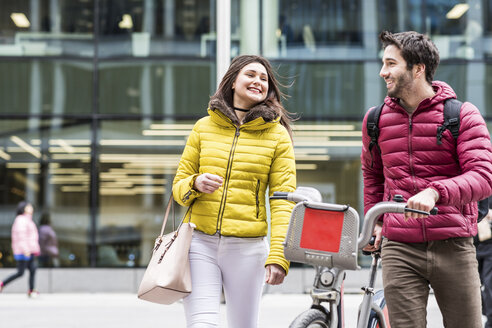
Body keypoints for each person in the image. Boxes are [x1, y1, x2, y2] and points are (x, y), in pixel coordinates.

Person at [361, 31, 492, 328]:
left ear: (418, 68)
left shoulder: (462, 116)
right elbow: (372, 173)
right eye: (384, 63)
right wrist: (377, 222)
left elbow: (483, 177)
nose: (383, 72)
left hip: (454, 244)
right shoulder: (375, 120)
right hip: (400, 247)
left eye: (391, 64)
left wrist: (435, 193)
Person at [173, 54, 296, 328]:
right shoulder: (203, 128)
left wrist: (278, 256)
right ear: (233, 82)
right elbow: (178, 188)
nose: (258, 82)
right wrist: (194, 183)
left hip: (248, 249)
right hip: (199, 242)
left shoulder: (277, 136)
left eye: (264, 79)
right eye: (251, 75)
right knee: (202, 324)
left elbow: (282, 200)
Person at [0, 201, 41, 297]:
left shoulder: (28, 220)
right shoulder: (21, 220)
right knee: (20, 272)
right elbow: (21, 236)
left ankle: (31, 290)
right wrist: (25, 249)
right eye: (29, 207)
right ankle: (2, 284)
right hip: (24, 251)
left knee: (33, 269)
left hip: (29, 251)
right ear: (23, 208)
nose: (31, 208)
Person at [476, 198, 492, 328]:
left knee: (489, 286)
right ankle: (487, 313)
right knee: (472, 287)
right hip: (471, 244)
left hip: (490, 247)